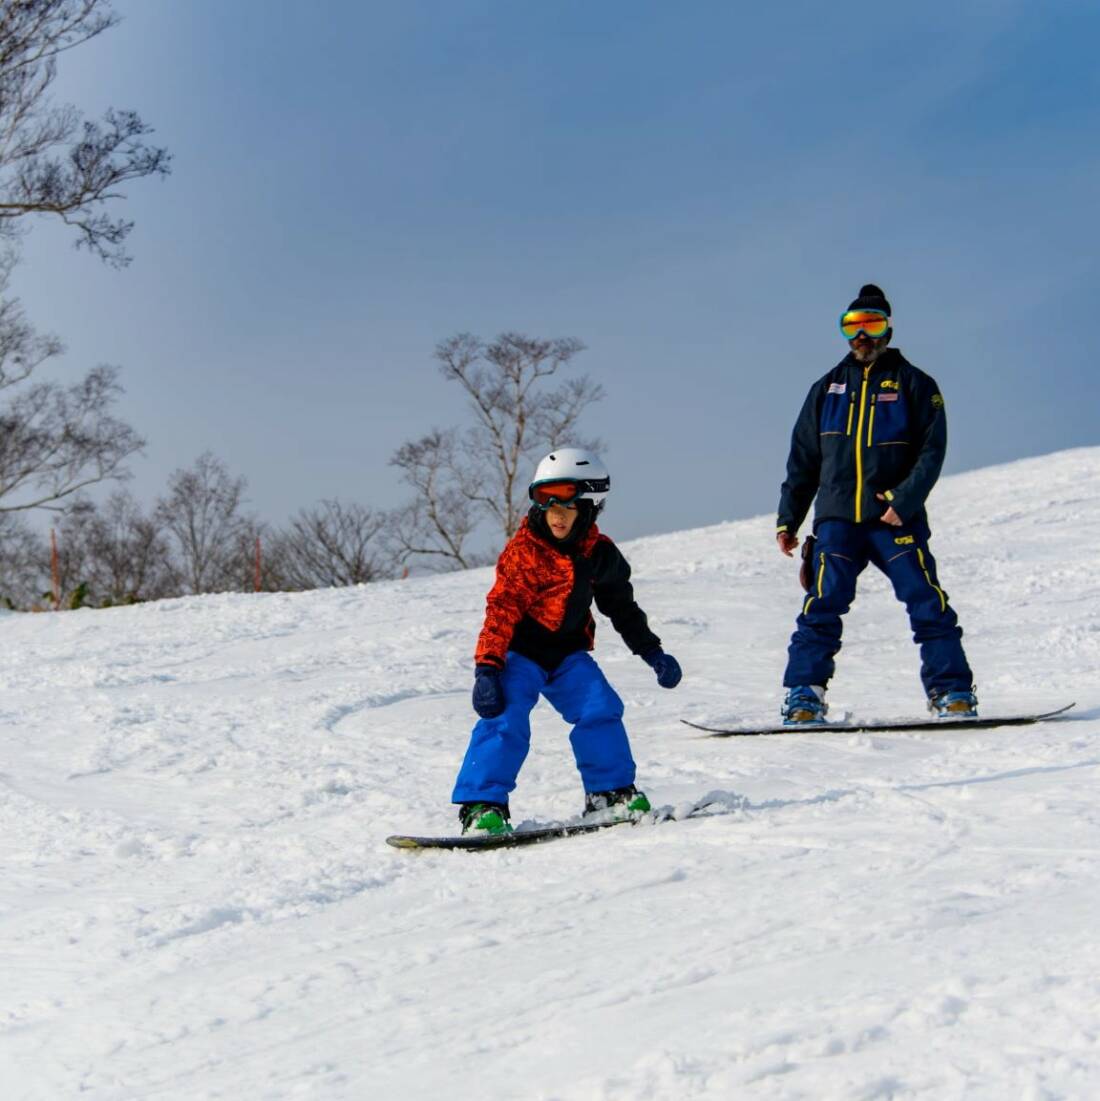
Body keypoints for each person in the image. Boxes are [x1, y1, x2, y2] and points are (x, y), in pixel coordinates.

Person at [452, 447, 683, 834]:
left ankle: (608, 795)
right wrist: (487, 667)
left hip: (567, 655)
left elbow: (621, 607)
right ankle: (481, 806)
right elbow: (502, 608)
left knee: (601, 708)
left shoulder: (600, 554)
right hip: (520, 652)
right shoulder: (526, 551)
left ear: (590, 506)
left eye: (566, 504)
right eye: (546, 501)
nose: (555, 513)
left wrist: (652, 651)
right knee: (505, 717)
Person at [775, 283, 977, 724]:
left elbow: (931, 451)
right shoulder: (825, 388)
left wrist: (903, 501)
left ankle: (952, 691)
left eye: (872, 324)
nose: (862, 334)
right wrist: (788, 518)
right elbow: (804, 458)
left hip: (892, 519)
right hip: (837, 520)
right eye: (852, 326)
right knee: (822, 603)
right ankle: (804, 695)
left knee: (926, 599)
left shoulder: (916, 384)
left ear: (888, 328)